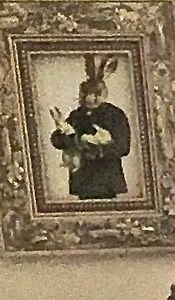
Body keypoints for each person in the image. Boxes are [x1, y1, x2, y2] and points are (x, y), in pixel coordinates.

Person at [49, 54, 132, 200]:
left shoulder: (115, 115)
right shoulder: (76, 115)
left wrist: (97, 149)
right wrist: (66, 136)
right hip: (83, 179)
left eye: (96, 95)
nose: (89, 98)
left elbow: (123, 147)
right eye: (85, 94)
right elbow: (60, 140)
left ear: (104, 94)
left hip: (107, 179)